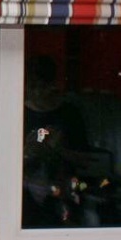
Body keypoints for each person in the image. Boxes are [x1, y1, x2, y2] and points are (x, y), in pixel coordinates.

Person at [22, 55, 90, 227]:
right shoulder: (17, 112)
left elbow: (85, 161)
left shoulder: (68, 114)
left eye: (42, 86)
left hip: (64, 196)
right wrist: (27, 153)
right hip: (25, 199)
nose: (37, 92)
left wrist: (57, 150)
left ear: (53, 85)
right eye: (32, 86)